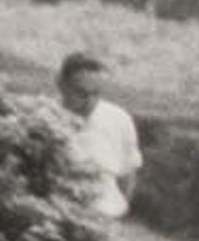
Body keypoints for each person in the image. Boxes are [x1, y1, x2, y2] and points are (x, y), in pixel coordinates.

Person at [58, 52, 141, 220]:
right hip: (58, 214)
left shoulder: (118, 119)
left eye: (96, 93)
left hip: (103, 217)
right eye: (81, 93)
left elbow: (128, 173)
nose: (89, 102)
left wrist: (119, 211)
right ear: (62, 85)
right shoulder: (45, 118)